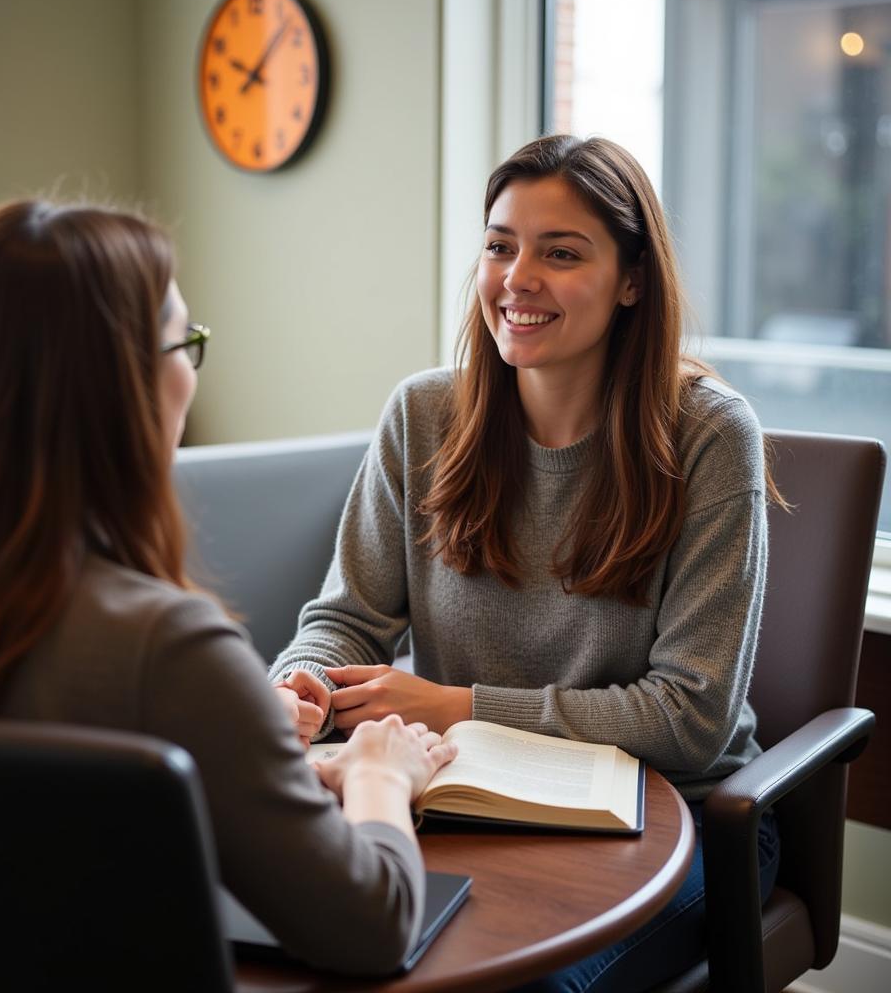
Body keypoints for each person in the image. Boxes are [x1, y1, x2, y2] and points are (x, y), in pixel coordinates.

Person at [0, 199, 456, 976]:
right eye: (186, 340)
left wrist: (255, 755)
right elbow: (373, 928)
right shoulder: (169, 649)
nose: (191, 367)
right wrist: (381, 775)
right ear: (117, 386)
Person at [267, 134, 781, 992]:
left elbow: (690, 718)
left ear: (632, 281)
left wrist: (457, 705)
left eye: (561, 252)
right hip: (469, 802)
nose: (518, 278)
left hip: (676, 823)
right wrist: (299, 686)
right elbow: (347, 617)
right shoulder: (424, 414)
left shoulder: (713, 436)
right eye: (500, 245)